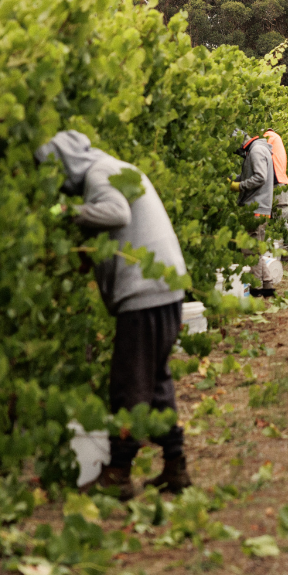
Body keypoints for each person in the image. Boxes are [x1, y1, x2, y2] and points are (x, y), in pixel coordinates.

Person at [36, 130, 190, 500]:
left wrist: (62, 212)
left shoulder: (98, 174)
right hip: (164, 286)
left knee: (129, 385)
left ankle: (118, 473)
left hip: (144, 291)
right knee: (155, 383)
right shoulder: (113, 167)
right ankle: (175, 465)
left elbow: (117, 213)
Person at [232, 132, 277, 297]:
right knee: (256, 251)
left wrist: (239, 187)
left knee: (250, 251)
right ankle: (267, 286)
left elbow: (259, 177)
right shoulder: (258, 149)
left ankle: (255, 289)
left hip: (255, 207)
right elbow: (249, 176)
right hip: (260, 207)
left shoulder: (256, 150)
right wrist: (234, 179)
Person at [263, 128, 288, 262]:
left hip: (276, 181)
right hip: (280, 180)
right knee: (280, 218)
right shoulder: (276, 137)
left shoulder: (268, 136)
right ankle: (283, 250)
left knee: (279, 219)